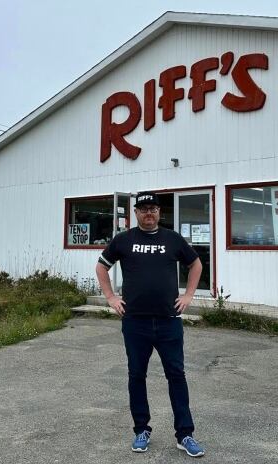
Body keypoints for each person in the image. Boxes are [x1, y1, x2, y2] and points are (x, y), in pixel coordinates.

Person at [95, 191, 205, 458]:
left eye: (153, 208)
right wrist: (110, 297)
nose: (148, 213)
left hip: (169, 322)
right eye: (143, 209)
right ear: (135, 213)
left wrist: (189, 294)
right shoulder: (123, 240)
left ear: (159, 212)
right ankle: (141, 430)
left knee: (177, 376)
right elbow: (101, 266)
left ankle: (185, 434)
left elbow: (196, 264)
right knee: (136, 376)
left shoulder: (173, 239)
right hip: (135, 323)